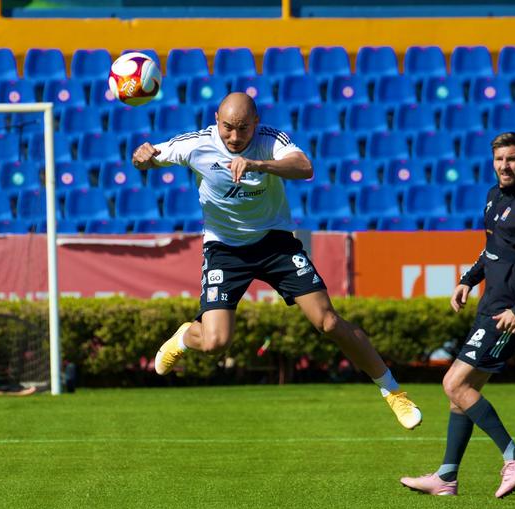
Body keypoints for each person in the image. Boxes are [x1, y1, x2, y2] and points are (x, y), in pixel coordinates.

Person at [131, 92, 421, 430]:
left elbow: (305, 167)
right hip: (225, 248)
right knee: (214, 342)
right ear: (216, 120)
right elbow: (147, 160)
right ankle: (184, 338)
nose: (235, 137)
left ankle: (393, 392)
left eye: (243, 129)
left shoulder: (271, 141)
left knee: (327, 322)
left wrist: (258, 165)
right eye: (227, 128)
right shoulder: (196, 144)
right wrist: (143, 157)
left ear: (256, 122)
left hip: (275, 242)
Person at [400, 132, 515, 497]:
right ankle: (446, 478)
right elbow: (493, 248)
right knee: (461, 392)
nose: (504, 166)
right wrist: (468, 279)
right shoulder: (494, 198)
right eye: (499, 160)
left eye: (512, 159)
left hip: (509, 315)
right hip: (490, 307)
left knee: (454, 384)